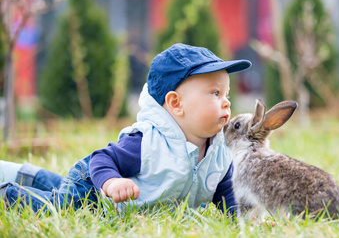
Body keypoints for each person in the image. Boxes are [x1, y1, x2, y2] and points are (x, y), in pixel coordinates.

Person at [0, 43, 251, 214]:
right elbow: (101, 158)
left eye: (226, 93)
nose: (227, 102)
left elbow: (226, 191)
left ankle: (23, 173)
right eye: (215, 93)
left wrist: (240, 218)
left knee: (59, 188)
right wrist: (111, 182)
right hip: (94, 184)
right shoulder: (148, 142)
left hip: (115, 198)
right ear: (176, 104)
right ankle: (6, 194)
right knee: (59, 205)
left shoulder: (219, 153)